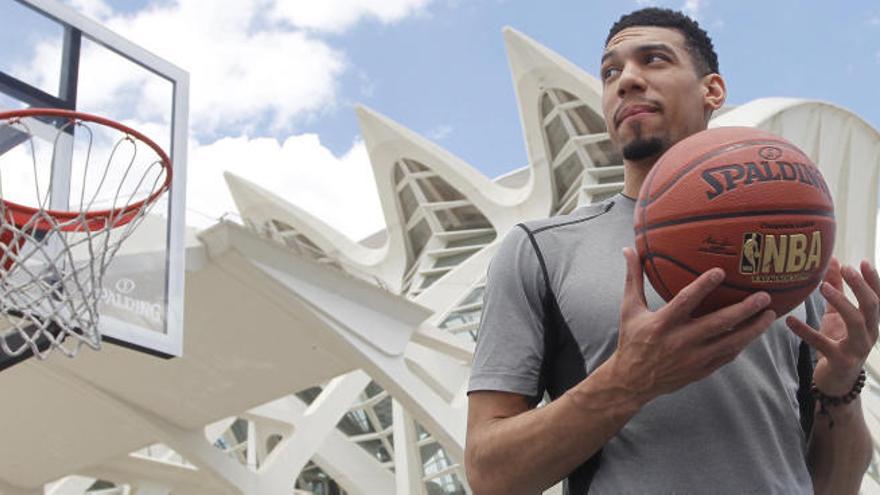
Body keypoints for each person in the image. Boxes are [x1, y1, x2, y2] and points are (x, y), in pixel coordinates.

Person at [464, 7, 877, 495]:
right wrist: (629, 381)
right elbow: (490, 476)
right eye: (610, 72)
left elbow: (835, 486)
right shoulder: (540, 250)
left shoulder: (786, 262)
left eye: (654, 60)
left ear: (713, 91)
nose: (627, 81)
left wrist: (841, 387)